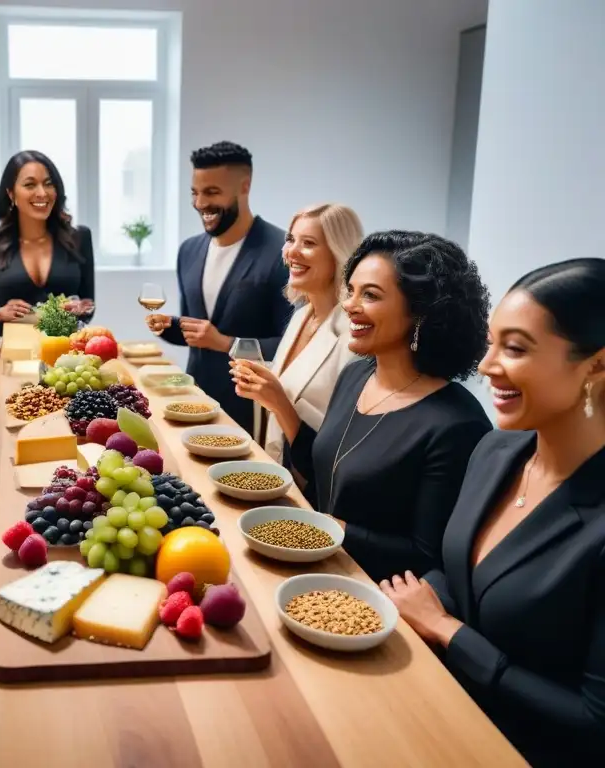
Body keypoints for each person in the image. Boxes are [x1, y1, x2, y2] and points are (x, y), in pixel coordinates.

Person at [381, 259, 605, 766]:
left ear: (595, 364)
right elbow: (461, 576)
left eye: (516, 348)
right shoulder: (495, 452)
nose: (486, 365)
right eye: (491, 343)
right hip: (432, 714)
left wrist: (448, 631)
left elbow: (594, 724)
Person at [283, 231, 492, 581]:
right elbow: (329, 469)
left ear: (420, 312)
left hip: (373, 603)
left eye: (371, 295)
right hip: (312, 571)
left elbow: (428, 556)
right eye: (351, 290)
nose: (349, 304)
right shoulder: (355, 375)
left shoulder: (457, 425)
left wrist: (335, 529)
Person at [146, 141, 292, 436]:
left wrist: (226, 343)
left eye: (212, 192)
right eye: (195, 192)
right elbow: (199, 335)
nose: (200, 203)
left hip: (250, 415)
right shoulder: (188, 251)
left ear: (244, 187)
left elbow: (292, 346)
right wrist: (170, 326)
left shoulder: (283, 252)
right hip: (192, 404)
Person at [230, 203, 363, 469]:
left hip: (314, 483)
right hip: (276, 468)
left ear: (339, 254)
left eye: (309, 243)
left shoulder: (355, 336)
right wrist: (262, 381)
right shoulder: (301, 316)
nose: (291, 251)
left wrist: (277, 400)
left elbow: (345, 437)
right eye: (290, 239)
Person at [0, 150, 95, 340]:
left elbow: (89, 304)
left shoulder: (80, 238)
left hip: (65, 354)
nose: (42, 193)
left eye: (48, 184)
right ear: (11, 193)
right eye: (30, 185)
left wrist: (80, 309)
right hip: (13, 353)